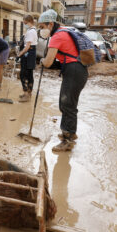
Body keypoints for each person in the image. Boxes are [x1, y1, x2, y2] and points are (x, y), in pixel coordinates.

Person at [39, 9, 88, 152]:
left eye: (42, 27)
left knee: (67, 105)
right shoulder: (64, 32)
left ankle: (68, 141)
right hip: (76, 70)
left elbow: (48, 62)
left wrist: (42, 60)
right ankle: (69, 133)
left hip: (74, 71)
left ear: (50, 24)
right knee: (66, 103)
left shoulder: (57, 36)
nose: (41, 30)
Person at [17, 15, 38, 102]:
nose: (24, 24)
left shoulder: (30, 32)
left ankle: (26, 94)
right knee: (29, 74)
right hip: (31, 53)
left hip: (28, 54)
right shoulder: (32, 30)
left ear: (28, 21)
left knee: (24, 74)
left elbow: (27, 47)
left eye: (24, 22)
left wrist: (19, 55)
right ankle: (28, 94)